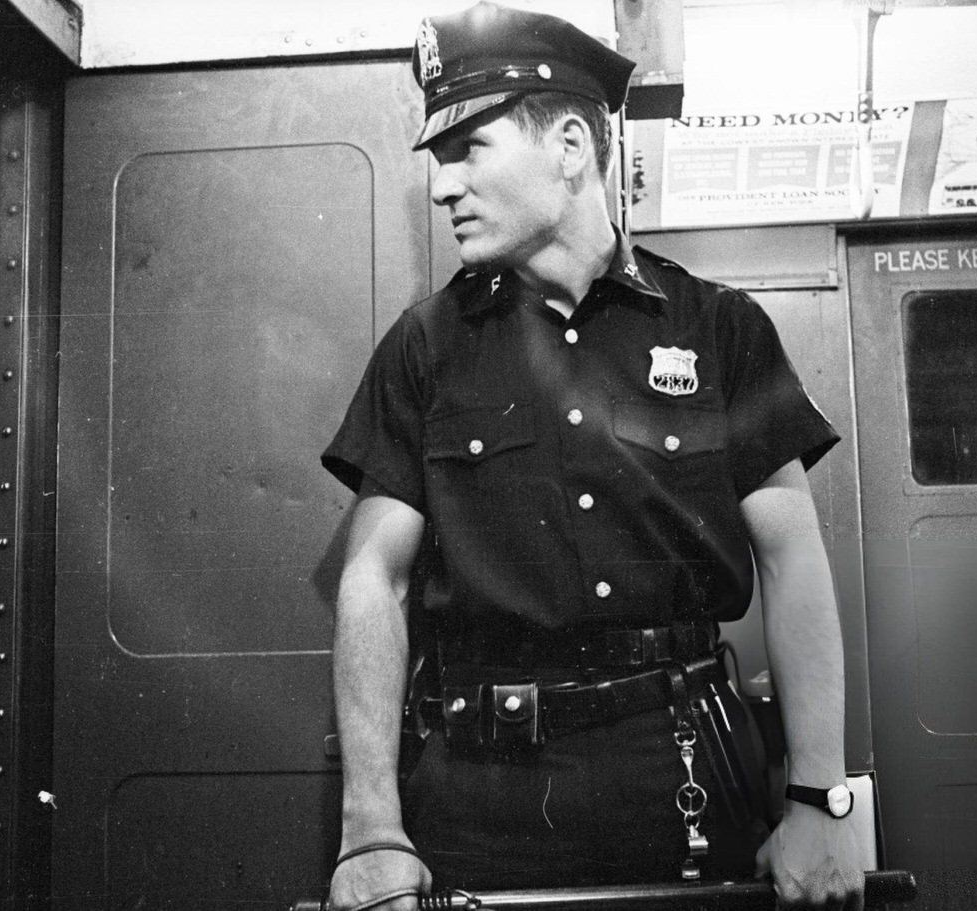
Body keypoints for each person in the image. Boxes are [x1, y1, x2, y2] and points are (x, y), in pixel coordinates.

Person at [322, 4, 865, 909]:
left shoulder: (719, 329)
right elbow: (371, 578)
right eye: (438, 161)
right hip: (481, 790)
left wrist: (819, 797)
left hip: (683, 769)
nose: (442, 186)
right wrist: (371, 827)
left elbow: (793, 556)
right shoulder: (424, 347)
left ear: (571, 145)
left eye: (468, 151)